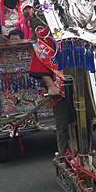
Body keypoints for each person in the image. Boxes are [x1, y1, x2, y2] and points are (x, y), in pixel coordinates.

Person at [28, 24, 74, 156]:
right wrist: (51, 85)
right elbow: (42, 59)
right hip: (61, 84)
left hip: (84, 80)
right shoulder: (47, 33)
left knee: (86, 120)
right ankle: (64, 155)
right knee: (63, 123)